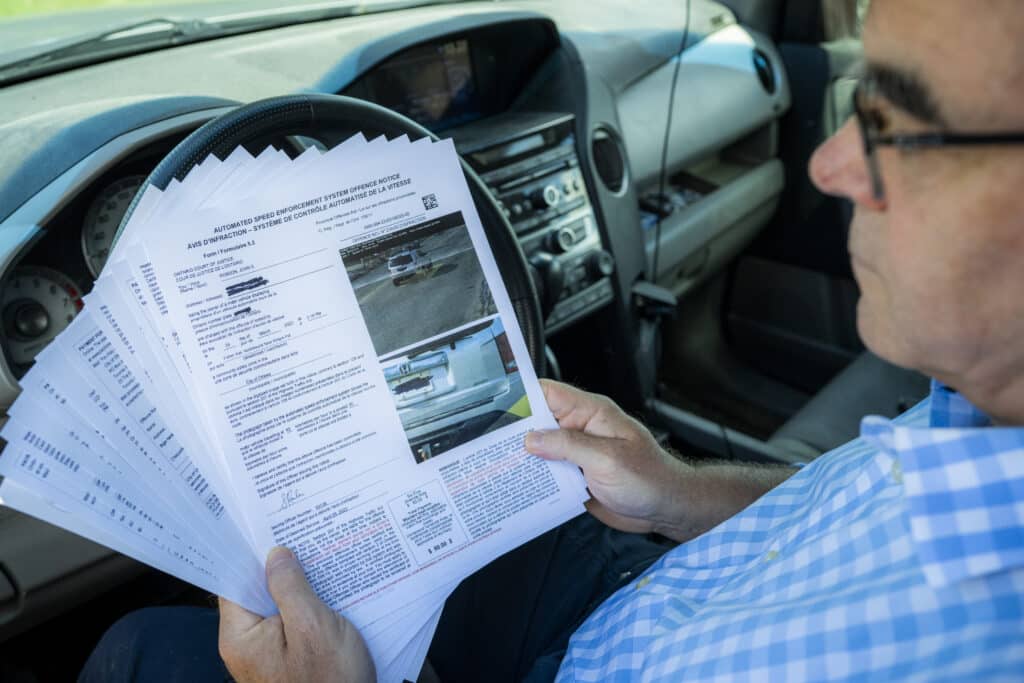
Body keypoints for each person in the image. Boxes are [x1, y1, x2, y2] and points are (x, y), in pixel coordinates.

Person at [80, 0, 1024, 680]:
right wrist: (680, 492)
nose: (828, 162)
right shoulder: (981, 410)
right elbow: (852, 506)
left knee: (135, 651)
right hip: (641, 577)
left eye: (893, 123)